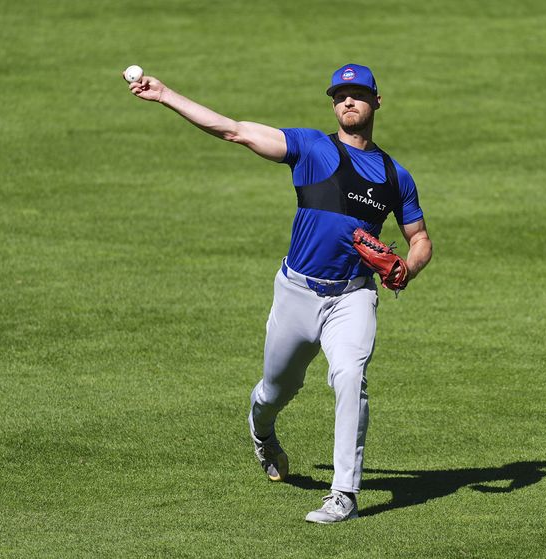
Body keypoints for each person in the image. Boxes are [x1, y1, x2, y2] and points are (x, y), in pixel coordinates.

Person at [125, 63, 433, 523]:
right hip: (297, 293)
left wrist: (406, 269)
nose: (347, 102)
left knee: (350, 376)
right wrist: (166, 94)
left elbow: (420, 238)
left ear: (376, 101)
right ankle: (263, 430)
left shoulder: (395, 175)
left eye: (356, 94)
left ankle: (344, 495)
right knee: (276, 389)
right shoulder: (311, 148)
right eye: (339, 96)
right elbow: (233, 130)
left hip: (352, 297)